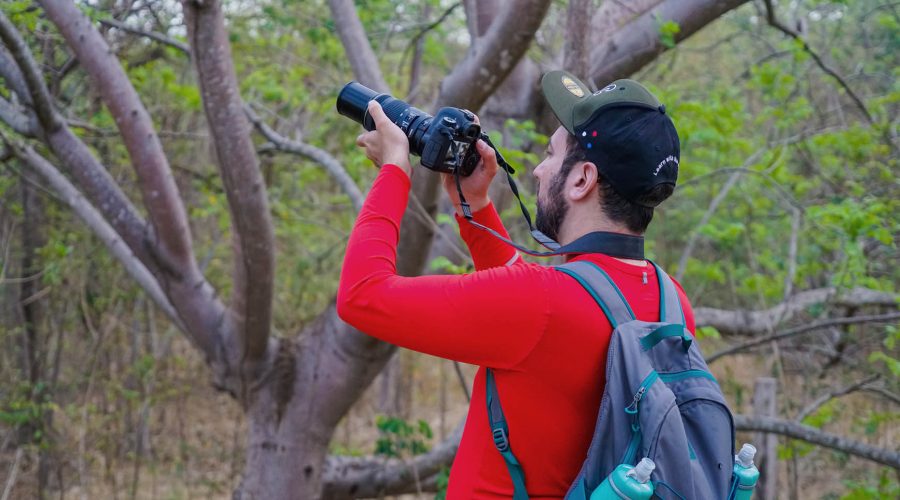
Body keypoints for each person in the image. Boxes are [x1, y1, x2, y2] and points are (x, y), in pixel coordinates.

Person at [337, 70, 692, 499]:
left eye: (551, 154)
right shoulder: (671, 300)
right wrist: (477, 206)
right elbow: (533, 341)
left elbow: (362, 296)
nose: (540, 171)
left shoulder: (541, 300)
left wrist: (394, 169)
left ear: (582, 180)